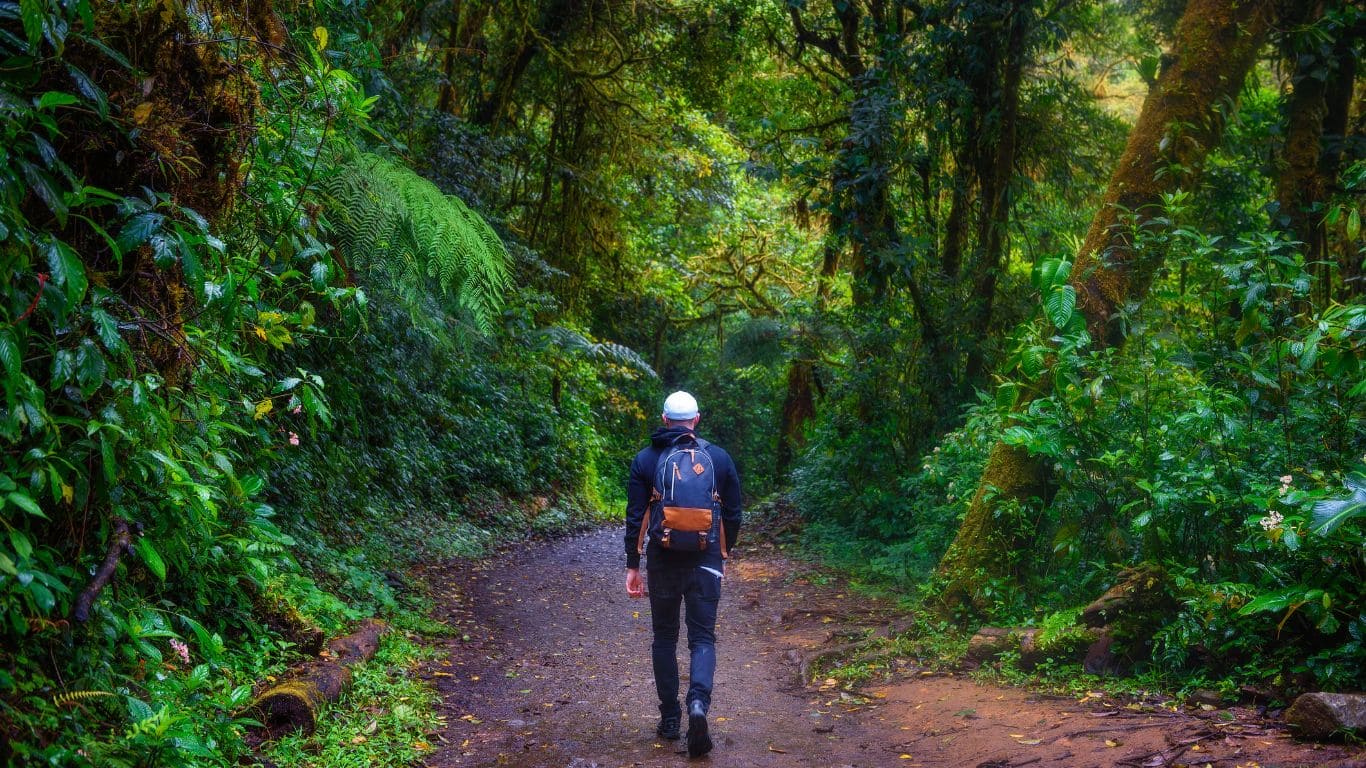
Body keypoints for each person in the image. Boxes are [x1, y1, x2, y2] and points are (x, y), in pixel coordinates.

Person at [624, 391, 742, 758]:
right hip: (706, 559)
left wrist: (632, 564)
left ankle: (670, 719)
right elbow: (734, 513)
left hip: (662, 560)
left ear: (664, 419)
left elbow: (635, 516)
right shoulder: (718, 458)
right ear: (697, 419)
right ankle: (698, 705)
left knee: (664, 637)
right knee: (702, 637)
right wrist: (723, 551)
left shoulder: (646, 459)